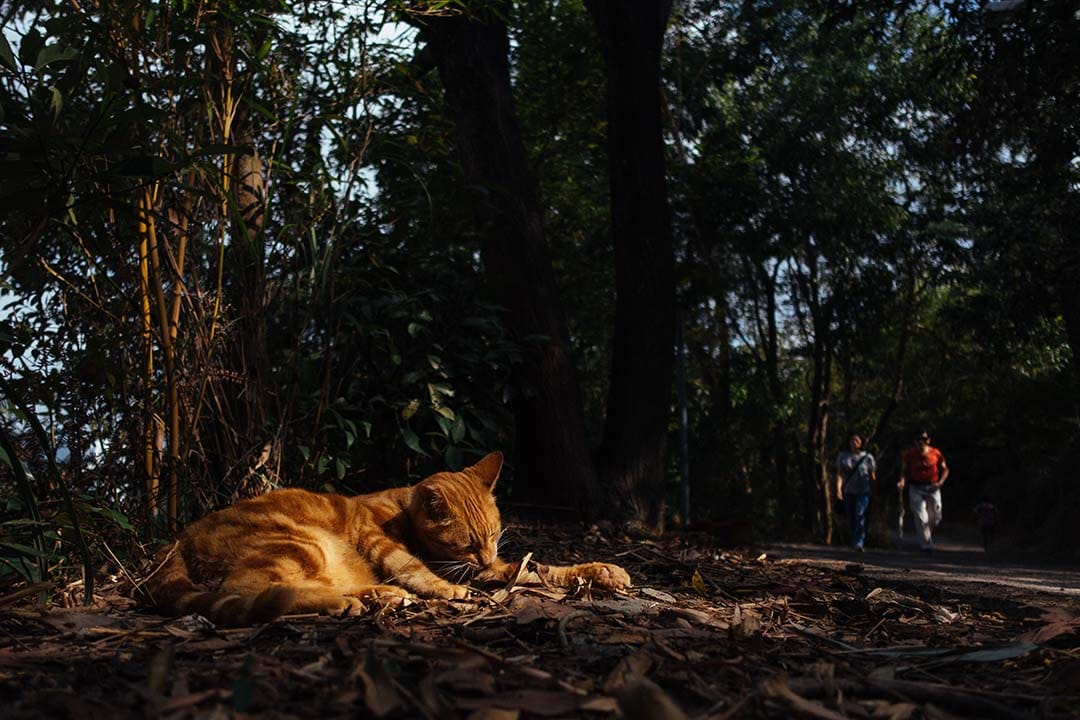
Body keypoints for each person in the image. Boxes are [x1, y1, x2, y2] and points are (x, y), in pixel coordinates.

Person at [897, 431, 949, 553]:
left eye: (924, 439)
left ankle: (925, 536)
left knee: (936, 516)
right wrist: (901, 481)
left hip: (933, 487)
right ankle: (926, 545)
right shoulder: (910, 454)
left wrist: (941, 481)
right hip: (916, 487)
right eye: (919, 439)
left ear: (928, 440)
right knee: (921, 516)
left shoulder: (935, 453)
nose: (922, 442)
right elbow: (904, 471)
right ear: (915, 441)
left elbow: (945, 468)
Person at [836, 432, 876, 551]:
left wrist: (874, 490)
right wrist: (838, 489)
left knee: (860, 514)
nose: (854, 443)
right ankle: (854, 539)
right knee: (851, 517)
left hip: (864, 492)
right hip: (848, 491)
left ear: (861, 442)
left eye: (857, 440)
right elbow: (839, 474)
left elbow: (872, 475)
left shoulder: (868, 457)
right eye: (852, 440)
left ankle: (859, 542)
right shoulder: (843, 456)